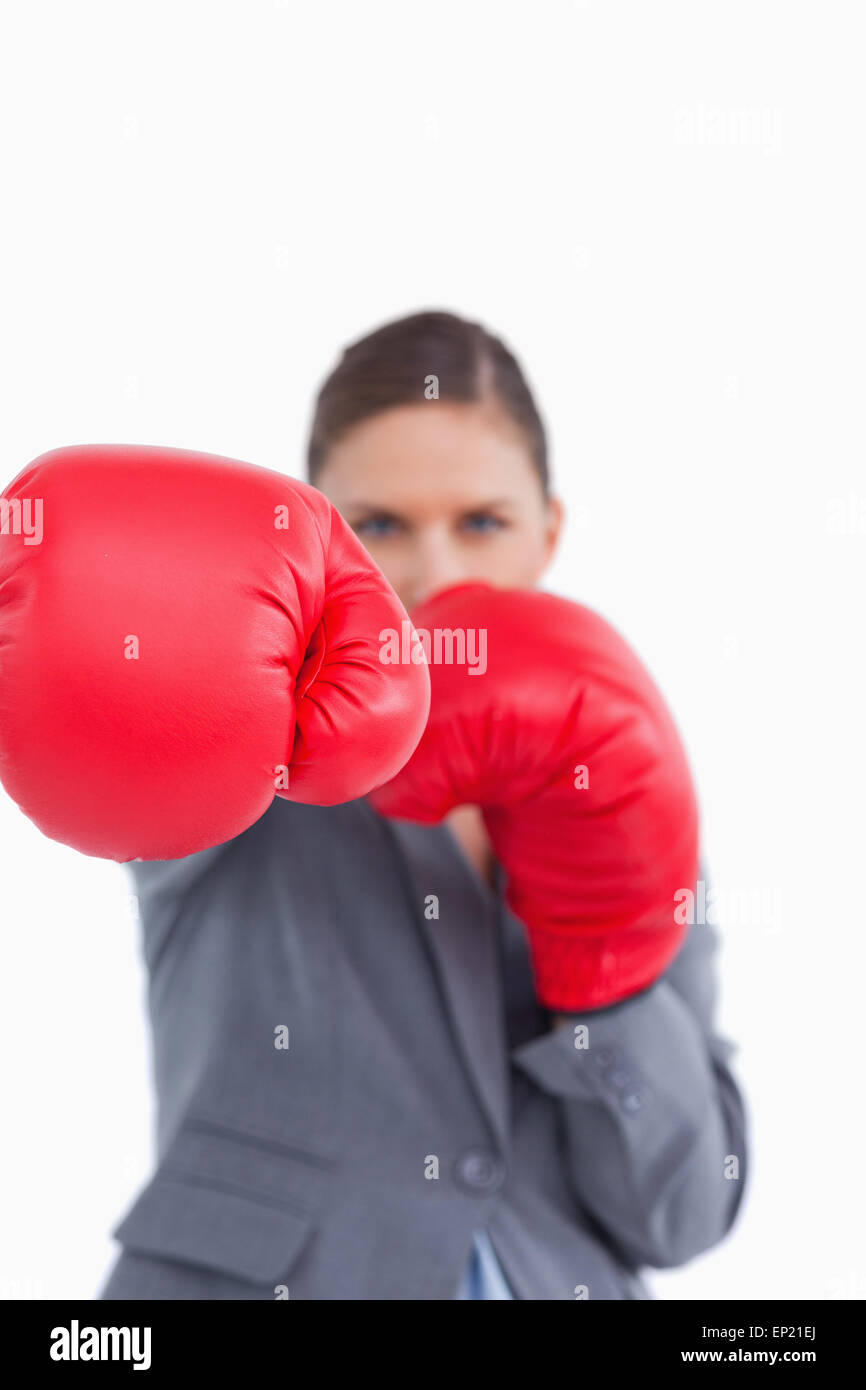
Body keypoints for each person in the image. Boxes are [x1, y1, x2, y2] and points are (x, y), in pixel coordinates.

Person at [2, 310, 749, 1300]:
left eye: (481, 522)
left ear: (548, 533)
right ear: (314, 537)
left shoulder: (615, 774)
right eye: (379, 525)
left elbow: (683, 1217)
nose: (434, 574)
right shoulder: (244, 756)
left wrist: (603, 967)